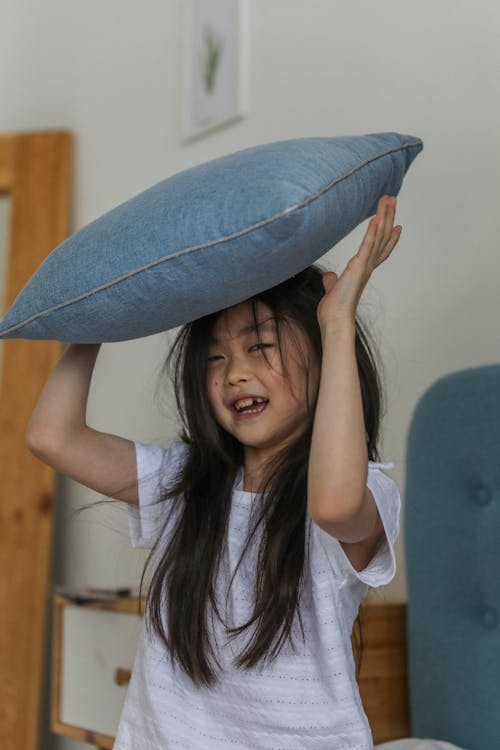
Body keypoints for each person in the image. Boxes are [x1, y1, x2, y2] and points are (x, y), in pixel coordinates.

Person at [27, 195, 402, 749]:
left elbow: (334, 505)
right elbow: (51, 437)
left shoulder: (365, 489)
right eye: (216, 358)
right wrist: (96, 319)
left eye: (260, 346)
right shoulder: (184, 485)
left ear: (324, 360)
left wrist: (337, 324)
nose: (235, 375)